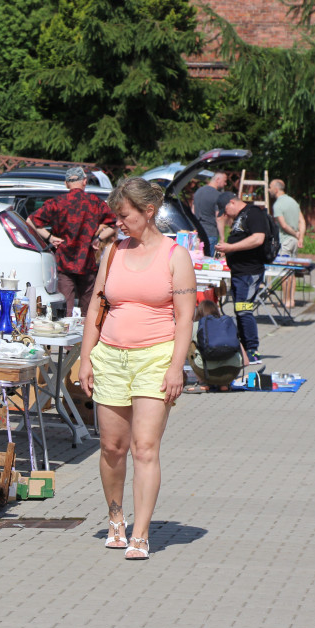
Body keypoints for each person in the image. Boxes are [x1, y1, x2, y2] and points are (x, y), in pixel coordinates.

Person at [79, 177, 196, 560]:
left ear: (149, 212)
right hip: (110, 357)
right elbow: (96, 307)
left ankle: (141, 534)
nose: (118, 223)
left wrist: (176, 367)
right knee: (113, 447)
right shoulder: (112, 252)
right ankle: (116, 519)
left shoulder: (175, 256)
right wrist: (86, 357)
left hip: (156, 358)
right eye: (116, 215)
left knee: (145, 449)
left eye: (124, 215)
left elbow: (184, 318)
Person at [27, 167, 117, 315]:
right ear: (85, 181)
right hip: (87, 261)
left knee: (64, 309)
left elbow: (31, 221)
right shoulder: (94, 203)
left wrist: (49, 237)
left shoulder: (57, 202)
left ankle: (65, 335)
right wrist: (98, 238)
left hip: (63, 261)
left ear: (66, 184)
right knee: (90, 310)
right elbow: (114, 224)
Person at [214, 192, 266, 365]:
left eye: (226, 210)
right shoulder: (240, 216)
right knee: (240, 310)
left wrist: (231, 247)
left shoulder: (253, 213)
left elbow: (258, 239)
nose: (226, 214)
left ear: (232, 202)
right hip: (239, 273)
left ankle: (252, 350)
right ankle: (244, 348)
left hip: (249, 272)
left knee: (244, 309)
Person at [185, 300, 247, 392]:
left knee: (188, 345)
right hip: (231, 373)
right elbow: (246, 362)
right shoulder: (227, 325)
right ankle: (224, 385)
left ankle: (203, 383)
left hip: (207, 373)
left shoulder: (195, 326)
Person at [269, 179, 305, 308]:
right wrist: (300, 237)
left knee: (284, 271)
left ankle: (286, 300)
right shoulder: (293, 202)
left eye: (270, 187)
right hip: (295, 242)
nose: (269, 190)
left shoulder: (278, 205)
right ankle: (291, 299)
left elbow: (283, 225)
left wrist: (295, 234)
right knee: (292, 271)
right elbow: (302, 220)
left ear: (276, 189)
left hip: (285, 241)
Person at [192, 171, 228, 257]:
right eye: (225, 181)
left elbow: (193, 211)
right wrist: (222, 238)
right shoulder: (218, 195)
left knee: (197, 260)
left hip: (197, 234)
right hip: (210, 233)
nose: (225, 184)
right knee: (208, 263)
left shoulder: (198, 192)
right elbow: (219, 217)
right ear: (218, 179)